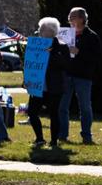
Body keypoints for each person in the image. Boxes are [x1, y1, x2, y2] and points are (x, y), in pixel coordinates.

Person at [55, 6, 101, 144]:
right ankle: (62, 135)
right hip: (66, 75)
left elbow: (97, 57)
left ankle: (86, 136)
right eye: (69, 16)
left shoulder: (92, 37)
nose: (69, 18)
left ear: (82, 19)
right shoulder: (64, 34)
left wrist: (79, 52)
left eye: (73, 16)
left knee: (85, 107)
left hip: (83, 77)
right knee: (62, 106)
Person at [26, 17, 70, 148]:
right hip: (38, 86)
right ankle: (39, 138)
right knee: (32, 112)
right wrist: (27, 79)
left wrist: (52, 53)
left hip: (54, 87)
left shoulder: (62, 47)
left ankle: (54, 140)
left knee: (54, 113)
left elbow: (65, 65)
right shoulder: (36, 45)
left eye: (42, 29)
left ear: (50, 31)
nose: (39, 31)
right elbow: (29, 64)